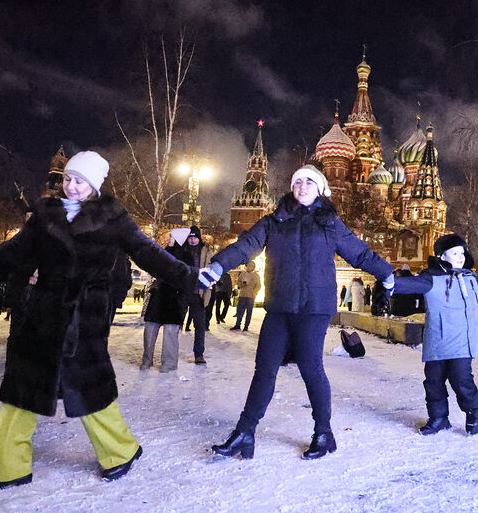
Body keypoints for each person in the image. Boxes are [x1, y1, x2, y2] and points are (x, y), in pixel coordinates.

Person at [0, 151, 195, 494]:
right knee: (20, 391)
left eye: (80, 180)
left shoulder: (114, 218)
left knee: (89, 391)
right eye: (68, 178)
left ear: (95, 185)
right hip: (40, 315)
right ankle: (7, 467)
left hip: (85, 316)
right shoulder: (43, 215)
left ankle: (121, 452)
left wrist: (187, 276)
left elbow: (147, 253)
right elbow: (12, 252)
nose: (71, 186)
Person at [206, 165, 394, 460]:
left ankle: (324, 433)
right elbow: (246, 245)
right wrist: (219, 264)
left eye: (309, 181)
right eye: (297, 181)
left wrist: (387, 274)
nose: (302, 186)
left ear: (320, 189)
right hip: (280, 307)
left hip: (314, 309)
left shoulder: (329, 223)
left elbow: (359, 253)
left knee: (311, 367)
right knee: (264, 368)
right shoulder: (273, 222)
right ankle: (245, 432)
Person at [391, 234, 478, 436]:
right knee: (433, 382)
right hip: (437, 341)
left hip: (462, 342)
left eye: (462, 252)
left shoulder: (471, 278)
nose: (460, 256)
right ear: (442, 256)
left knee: (461, 380)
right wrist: (388, 284)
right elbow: (406, 285)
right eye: (455, 253)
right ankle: (438, 418)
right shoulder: (430, 278)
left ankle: (472, 412)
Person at [140, 229, 192, 373]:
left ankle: (168, 363)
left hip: (175, 298)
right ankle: (146, 360)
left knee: (170, 331)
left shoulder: (187, 256)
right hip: (159, 295)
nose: (169, 239)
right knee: (150, 327)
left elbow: (187, 279)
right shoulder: (163, 253)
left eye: (171, 237)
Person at [178, 226, 212, 364]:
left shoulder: (205, 251)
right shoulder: (182, 250)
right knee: (175, 323)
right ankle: (171, 352)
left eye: (195, 237)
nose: (192, 240)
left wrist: (208, 290)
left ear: (199, 238)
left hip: (199, 292)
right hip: (183, 291)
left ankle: (199, 354)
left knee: (200, 325)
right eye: (190, 237)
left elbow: (209, 270)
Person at [232, 260, 260, 331]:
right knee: (240, 311)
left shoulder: (256, 275)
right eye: (248, 265)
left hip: (250, 296)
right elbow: (238, 282)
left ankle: (246, 326)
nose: (250, 267)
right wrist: (242, 284)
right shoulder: (243, 274)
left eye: (251, 266)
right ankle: (237, 324)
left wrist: (254, 293)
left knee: (249, 312)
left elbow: (258, 286)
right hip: (242, 295)